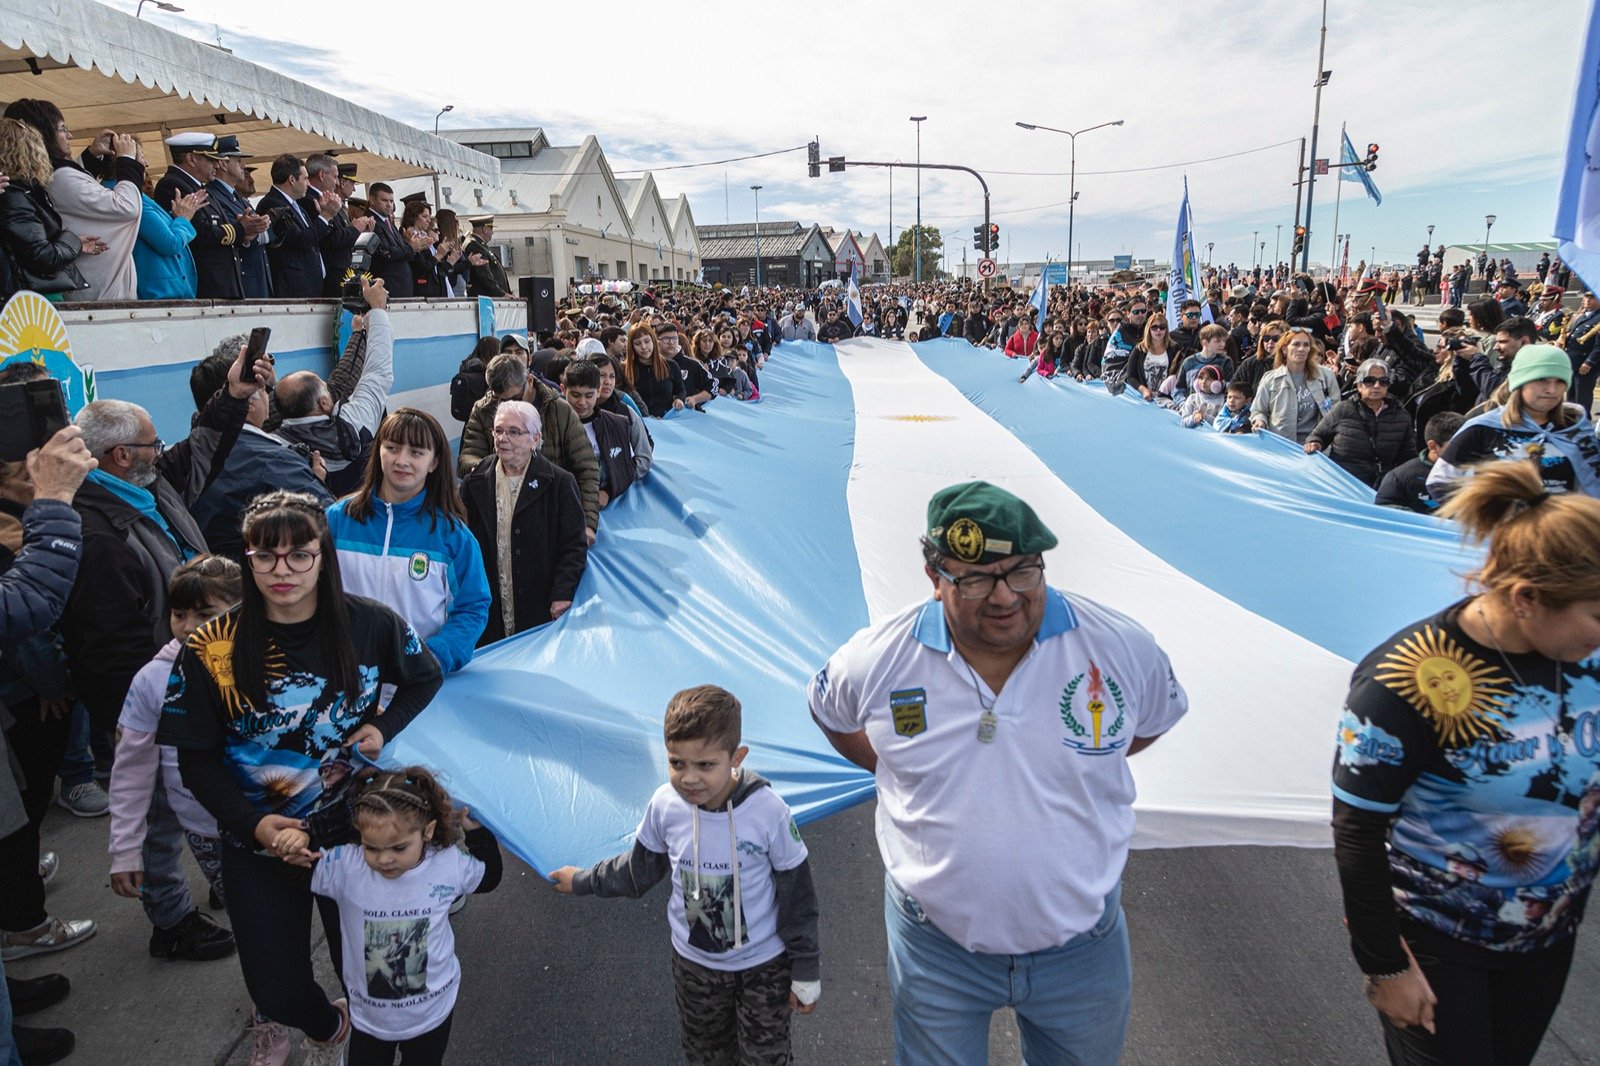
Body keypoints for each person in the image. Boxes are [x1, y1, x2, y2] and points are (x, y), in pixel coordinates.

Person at [808, 482, 1188, 1066]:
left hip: (1083, 952)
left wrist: (1079, 760)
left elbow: (1151, 721)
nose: (1005, 596)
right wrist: (892, 768)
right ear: (934, 577)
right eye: (977, 579)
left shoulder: (1119, 647)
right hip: (936, 951)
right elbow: (831, 712)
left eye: (1022, 572)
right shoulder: (877, 659)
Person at [158, 490, 443, 1064]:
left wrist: (382, 726)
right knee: (276, 992)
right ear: (248, 559)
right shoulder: (209, 648)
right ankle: (330, 1027)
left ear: (323, 555)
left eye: (299, 555)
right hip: (259, 843)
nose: (282, 570)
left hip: (365, 836)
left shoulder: (370, 622)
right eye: (265, 556)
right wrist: (255, 825)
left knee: (392, 981)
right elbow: (196, 762)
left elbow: (425, 676)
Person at [1333, 459, 1600, 1066]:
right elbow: (1357, 829)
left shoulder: (1583, 653)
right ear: (1526, 598)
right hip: (1439, 943)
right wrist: (1384, 965)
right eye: (1598, 615)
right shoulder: (1406, 678)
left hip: (1548, 937)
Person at [550, 685, 821, 1066]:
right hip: (695, 968)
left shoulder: (768, 811)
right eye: (677, 763)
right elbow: (637, 872)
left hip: (763, 968)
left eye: (705, 765)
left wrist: (806, 966)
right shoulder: (665, 806)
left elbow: (798, 893)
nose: (689, 778)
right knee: (706, 1055)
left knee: (766, 1058)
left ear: (737, 757)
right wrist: (582, 880)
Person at [0, 425, 97, 1066]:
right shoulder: (22, 520)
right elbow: (25, 608)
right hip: (24, 702)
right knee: (19, 827)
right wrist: (56, 503)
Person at [310, 766, 502, 1066]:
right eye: (371, 847)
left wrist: (476, 831)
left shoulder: (447, 863)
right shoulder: (346, 866)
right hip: (369, 1022)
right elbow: (299, 868)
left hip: (432, 1017)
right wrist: (294, 841)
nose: (384, 859)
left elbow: (489, 877)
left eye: (399, 847)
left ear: (427, 831)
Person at [107, 555, 240, 960]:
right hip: (206, 830)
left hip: (270, 821)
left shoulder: (266, 662)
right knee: (253, 919)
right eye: (179, 614)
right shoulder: (152, 681)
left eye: (205, 614)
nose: (187, 626)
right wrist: (125, 848)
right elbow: (130, 775)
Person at [327, 409, 491, 675]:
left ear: (434, 462)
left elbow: (472, 608)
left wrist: (430, 659)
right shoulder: (337, 520)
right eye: (392, 448)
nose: (401, 460)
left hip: (415, 682)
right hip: (345, 677)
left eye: (416, 452)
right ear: (378, 450)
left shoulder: (453, 536)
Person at [461, 401, 588, 642]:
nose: (503, 438)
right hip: (490, 605)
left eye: (514, 432)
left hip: (539, 605)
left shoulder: (559, 483)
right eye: (498, 430)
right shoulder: (476, 481)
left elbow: (574, 545)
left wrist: (562, 592)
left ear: (535, 438)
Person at [3, 100, 142, 302]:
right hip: (67, 296)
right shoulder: (19, 193)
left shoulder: (29, 187)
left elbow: (73, 187)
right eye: (62, 129)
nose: (70, 136)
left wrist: (91, 156)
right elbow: (126, 207)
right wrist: (127, 161)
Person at [1428, 345, 1600, 501]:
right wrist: (1481, 516)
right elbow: (1440, 482)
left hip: (1560, 525)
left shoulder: (1575, 428)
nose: (1552, 390)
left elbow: (1593, 486)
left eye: (1560, 381)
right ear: (1520, 383)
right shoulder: (1482, 427)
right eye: (1542, 380)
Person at [274, 278, 394, 496]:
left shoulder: (272, 444)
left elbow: (342, 380)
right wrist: (378, 310)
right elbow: (377, 372)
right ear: (324, 402)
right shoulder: (355, 423)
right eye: (326, 388)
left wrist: (358, 335)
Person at [0, 117, 100, 301]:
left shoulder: (20, 193)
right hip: (31, 302)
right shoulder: (15, 196)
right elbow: (43, 256)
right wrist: (72, 242)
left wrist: (74, 243)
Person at [1306, 358, 1417, 488]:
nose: (1377, 386)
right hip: (1342, 484)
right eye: (1369, 381)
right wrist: (1315, 443)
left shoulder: (1401, 416)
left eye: (1383, 381)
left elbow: (1408, 459)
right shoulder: (1343, 409)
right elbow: (1317, 436)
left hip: (1381, 488)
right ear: (1359, 385)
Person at [562, 360, 635, 508]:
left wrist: (608, 492)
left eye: (589, 395)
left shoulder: (617, 425)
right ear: (563, 390)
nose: (582, 402)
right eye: (575, 395)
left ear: (598, 391)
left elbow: (628, 467)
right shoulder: (551, 426)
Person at [258, 154, 331, 300]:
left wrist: (321, 214)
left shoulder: (297, 205)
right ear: (292, 179)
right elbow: (301, 240)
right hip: (292, 288)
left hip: (308, 287)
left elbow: (313, 236)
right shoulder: (271, 203)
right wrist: (326, 215)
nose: (308, 184)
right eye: (305, 179)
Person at [1251, 329, 1340, 443]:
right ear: (1284, 349)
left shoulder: (1326, 375)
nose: (1301, 349)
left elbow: (1335, 409)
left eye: (1306, 345)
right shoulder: (1270, 379)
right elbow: (1258, 410)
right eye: (1296, 344)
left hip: (1317, 445)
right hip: (1281, 445)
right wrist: (1260, 421)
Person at [1376, 412, 1465, 514]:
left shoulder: (1477, 472)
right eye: (1457, 447)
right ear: (1433, 446)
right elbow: (1383, 509)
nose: (1467, 451)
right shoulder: (1401, 477)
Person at [624, 323, 686, 417]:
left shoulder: (671, 365)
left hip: (666, 419)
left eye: (647, 341)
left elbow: (681, 390)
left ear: (653, 340)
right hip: (639, 421)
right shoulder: (624, 369)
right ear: (631, 346)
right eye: (637, 343)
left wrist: (679, 399)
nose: (643, 347)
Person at [462, 216, 510, 298]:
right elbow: (484, 275)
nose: (492, 233)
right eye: (491, 229)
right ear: (485, 230)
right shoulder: (474, 245)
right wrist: (501, 294)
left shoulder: (480, 244)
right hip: (486, 297)